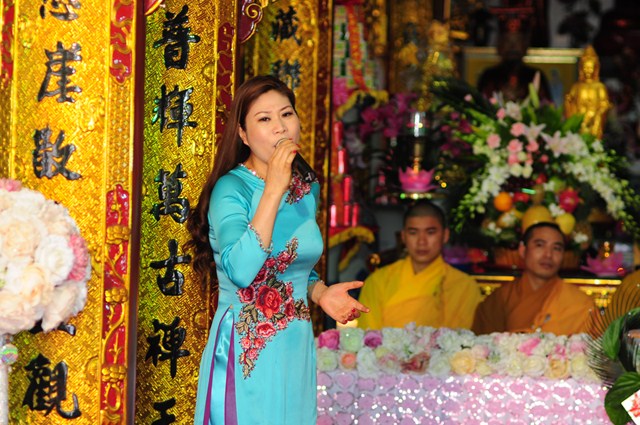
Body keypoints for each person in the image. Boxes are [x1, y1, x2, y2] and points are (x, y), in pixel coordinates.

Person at [186, 75, 369, 424]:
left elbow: (290, 265)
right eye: (264, 118)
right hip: (246, 346)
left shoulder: (307, 188)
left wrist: (320, 293)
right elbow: (241, 271)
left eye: (286, 114)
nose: (280, 127)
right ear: (243, 134)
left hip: (295, 344)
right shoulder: (231, 189)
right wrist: (273, 189)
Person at [357, 200, 481, 330]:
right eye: (413, 233)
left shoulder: (464, 286)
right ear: (403, 236)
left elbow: (464, 339)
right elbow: (369, 337)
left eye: (430, 232)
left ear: (445, 235)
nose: (422, 242)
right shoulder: (378, 282)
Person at [473, 222, 596, 335]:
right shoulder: (499, 300)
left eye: (556, 248)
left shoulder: (581, 304)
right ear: (523, 250)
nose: (548, 255)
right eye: (539, 245)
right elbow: (481, 346)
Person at [477, 13, 551, 102]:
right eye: (508, 41)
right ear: (499, 46)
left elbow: (546, 105)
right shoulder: (489, 77)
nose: (513, 47)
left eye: (517, 41)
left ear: (525, 46)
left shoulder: (535, 76)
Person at [564, 45, 612, 139]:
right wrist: (568, 102)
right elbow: (570, 101)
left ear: (595, 68)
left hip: (594, 123)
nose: (588, 71)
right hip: (579, 121)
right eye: (585, 68)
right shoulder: (576, 86)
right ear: (581, 68)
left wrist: (597, 116)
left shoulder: (599, 87)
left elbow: (605, 104)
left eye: (590, 68)